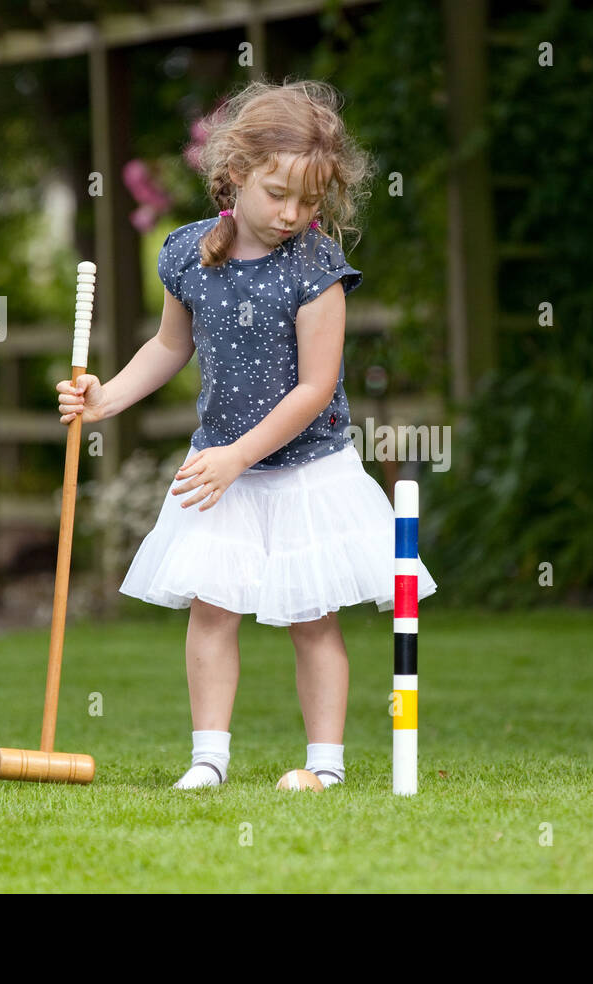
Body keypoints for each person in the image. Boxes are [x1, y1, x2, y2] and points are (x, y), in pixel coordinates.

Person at [55, 80, 436, 791]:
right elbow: (170, 348)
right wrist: (105, 398)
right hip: (221, 464)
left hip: (304, 469)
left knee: (312, 617)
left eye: (309, 199)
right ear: (234, 175)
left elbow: (314, 389)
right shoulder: (187, 255)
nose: (293, 213)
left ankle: (325, 766)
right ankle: (209, 760)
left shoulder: (318, 271)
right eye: (278, 193)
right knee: (213, 609)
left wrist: (236, 456)